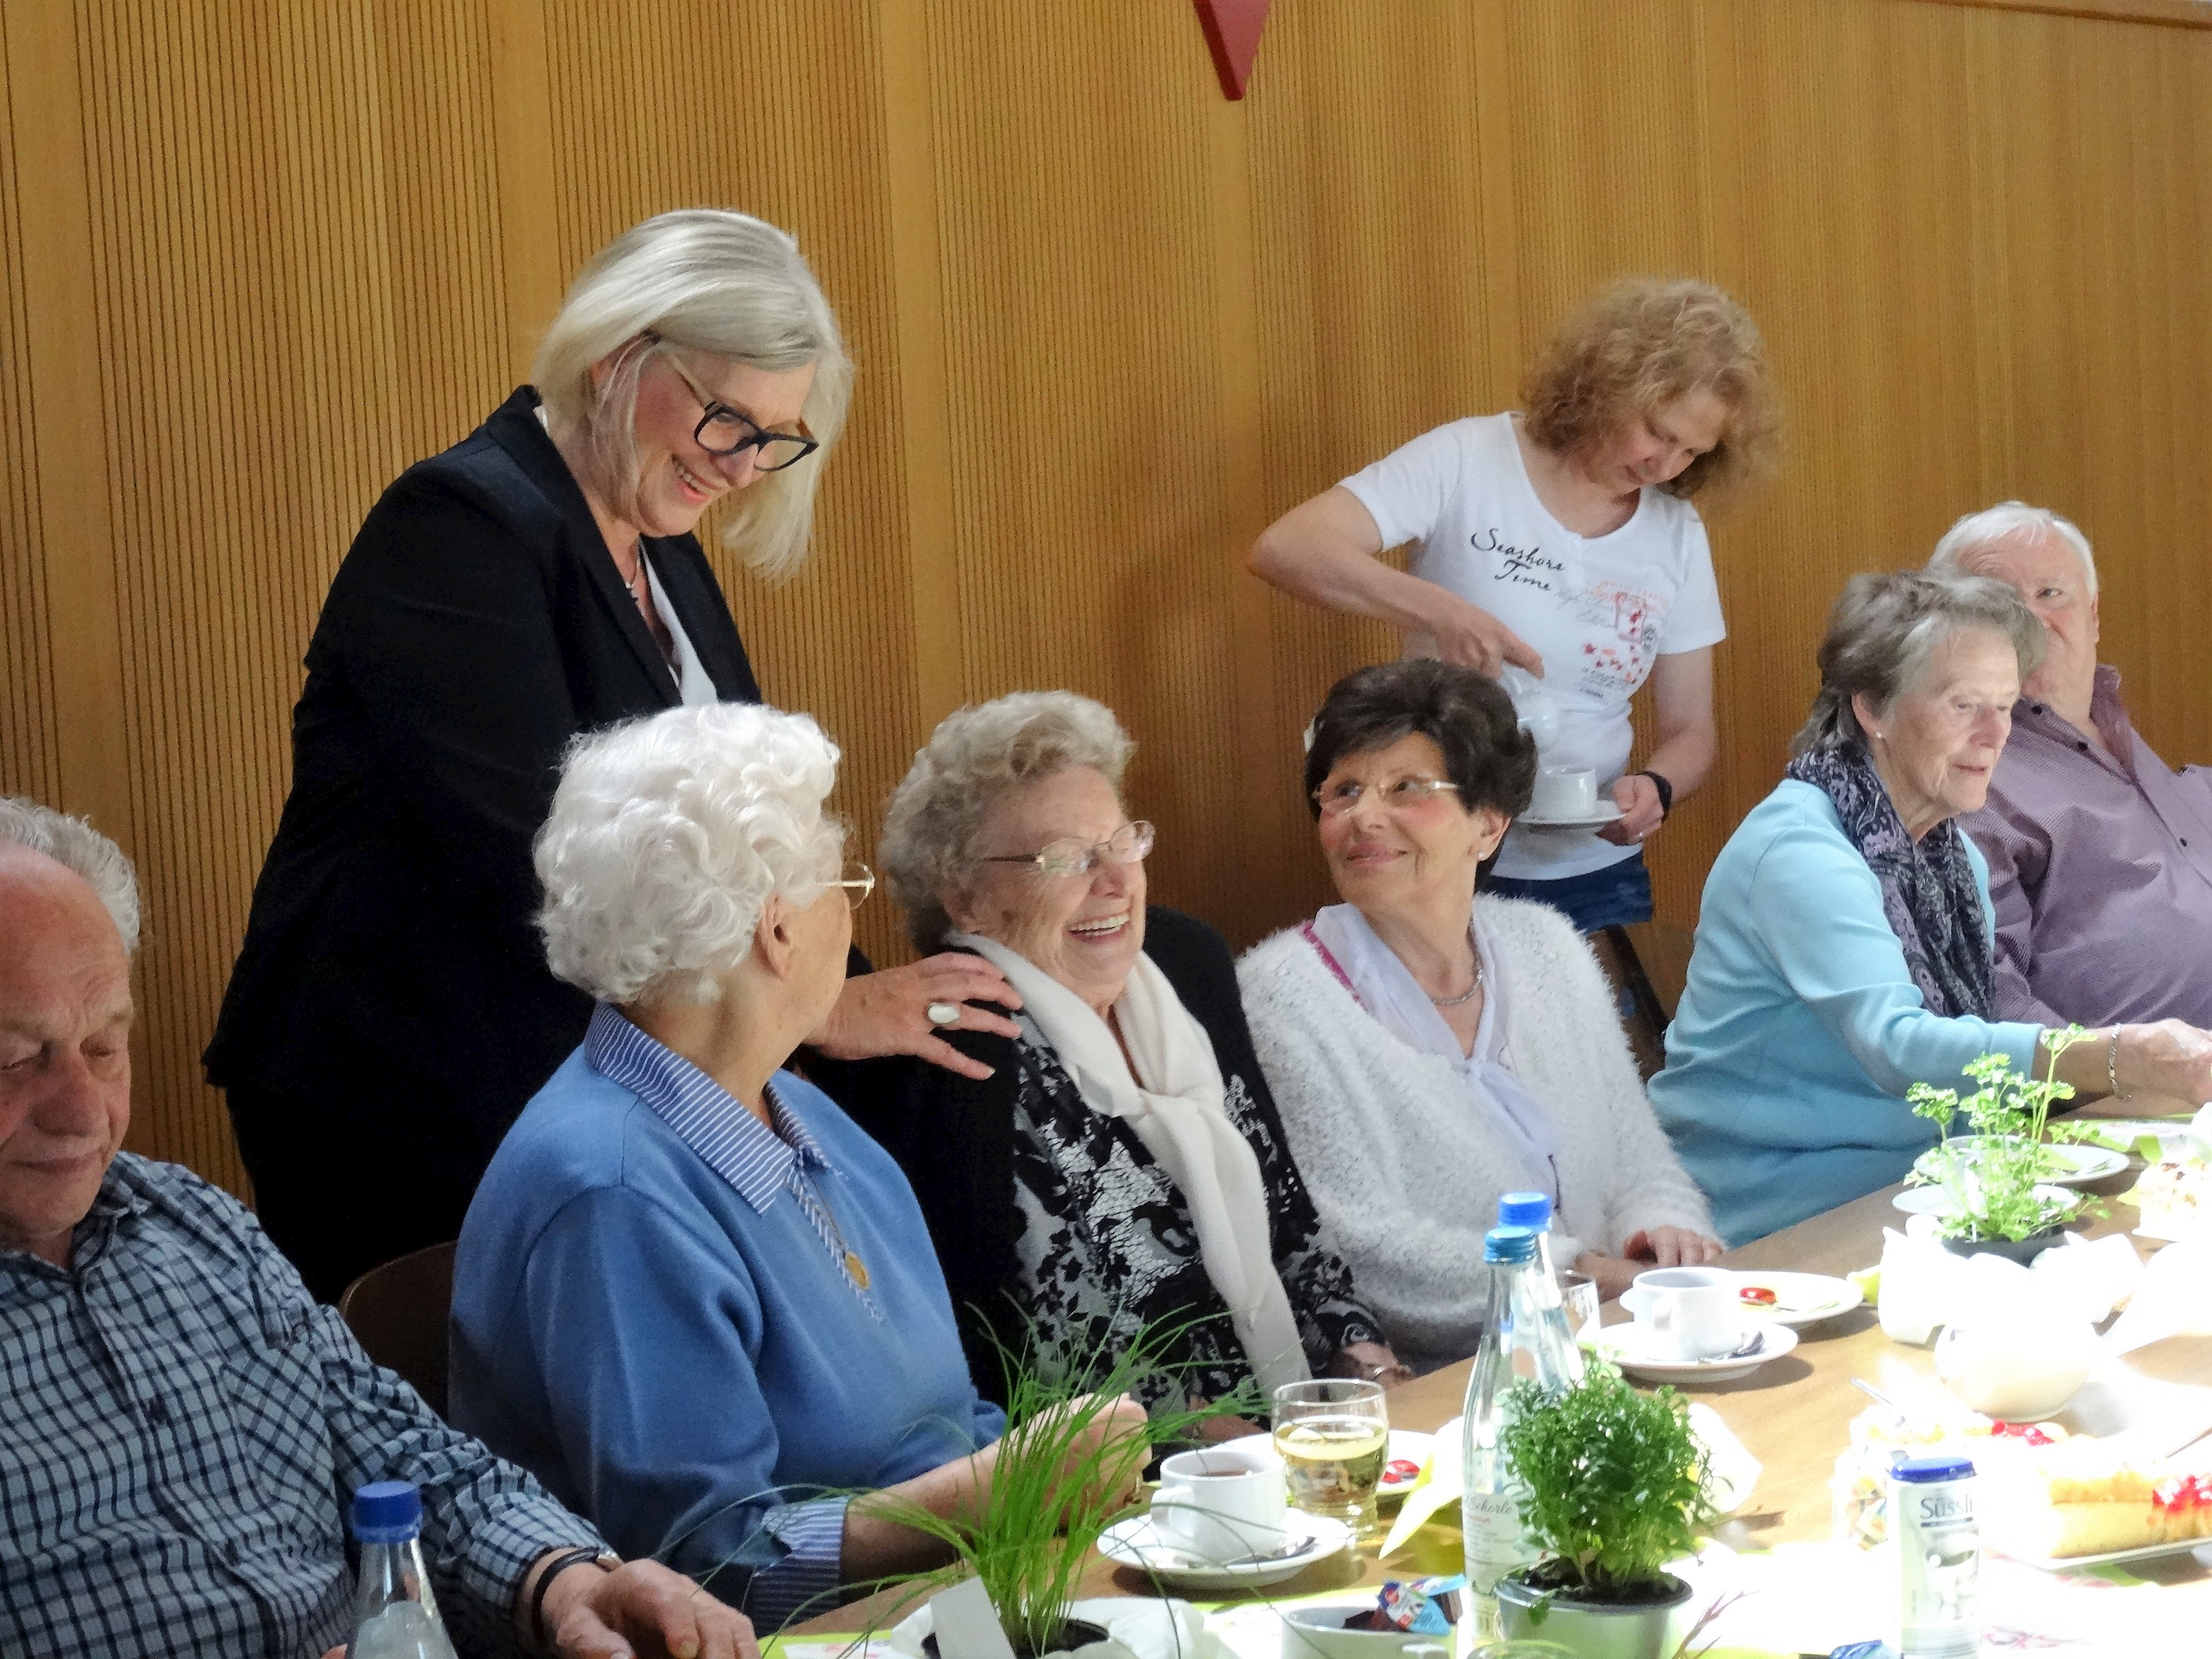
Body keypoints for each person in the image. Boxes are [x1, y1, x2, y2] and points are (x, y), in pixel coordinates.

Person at [207, 210, 1017, 1303]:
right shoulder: (457, 525)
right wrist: (819, 1010)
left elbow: (749, 831)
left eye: (774, 437)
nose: (743, 465)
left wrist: (847, 985)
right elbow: (543, 858)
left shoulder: (659, 544)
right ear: (616, 355)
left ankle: (982, 1401)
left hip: (621, 1052)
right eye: (727, 417)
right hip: (425, 1073)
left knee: (948, 1074)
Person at [0, 797, 753, 1659]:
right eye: (14, 1059)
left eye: (105, 1047)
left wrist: (567, 1583)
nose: (84, 1112)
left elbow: (406, 1457)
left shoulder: (194, 1228)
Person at [448, 704, 1143, 1631]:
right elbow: (702, 1569)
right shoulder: (608, 1190)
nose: (852, 916)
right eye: (843, 885)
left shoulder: (800, 1110)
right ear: (776, 932)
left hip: (954, 1615)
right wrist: (992, 1491)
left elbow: (949, 1423)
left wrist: (1032, 1483)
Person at [815, 692, 1405, 1415]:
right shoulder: (957, 1046)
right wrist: (1258, 1454)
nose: (1117, 883)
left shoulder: (1186, 965)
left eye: (1123, 843)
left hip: (1298, 1425)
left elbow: (1292, 1225)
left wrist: (1370, 1375)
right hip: (1129, 1460)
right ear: (965, 897)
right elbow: (1043, 1361)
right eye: (1066, 859)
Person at [1648, 574, 2212, 1245]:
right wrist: (2123, 1055)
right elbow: (1899, 1047)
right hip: (1777, 1206)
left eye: (2005, 706)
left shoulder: (1950, 852)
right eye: (1963, 705)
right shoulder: (1800, 849)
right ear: (1872, 708)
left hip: (1923, 1183)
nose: (1994, 735)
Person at [1246, 278, 1778, 931]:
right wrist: (1439, 611)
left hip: (1595, 870)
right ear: (1606, 384)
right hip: (1444, 860)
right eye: (1656, 432)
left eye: (1692, 451)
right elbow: (1287, 548)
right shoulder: (1470, 459)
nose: (1663, 466)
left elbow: (1691, 730)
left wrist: (1657, 788)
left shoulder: (1676, 531)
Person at [1233, 661, 1719, 1367]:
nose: (1364, 816)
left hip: (1622, 1337)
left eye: (1406, 788)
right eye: (1343, 792)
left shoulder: (1547, 944)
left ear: (1489, 823)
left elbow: (1637, 1153)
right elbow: (1359, 1248)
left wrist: (1662, 1230)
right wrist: (1584, 1274)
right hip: (1455, 1379)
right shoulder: (1280, 996)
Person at [1927, 502, 2212, 1029]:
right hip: (2143, 1077)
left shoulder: (2116, 730)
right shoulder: (1968, 780)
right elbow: (1988, 1008)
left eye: (2050, 594)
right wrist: (2125, 1067)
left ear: (2093, 614)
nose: (2030, 621)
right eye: (1997, 604)